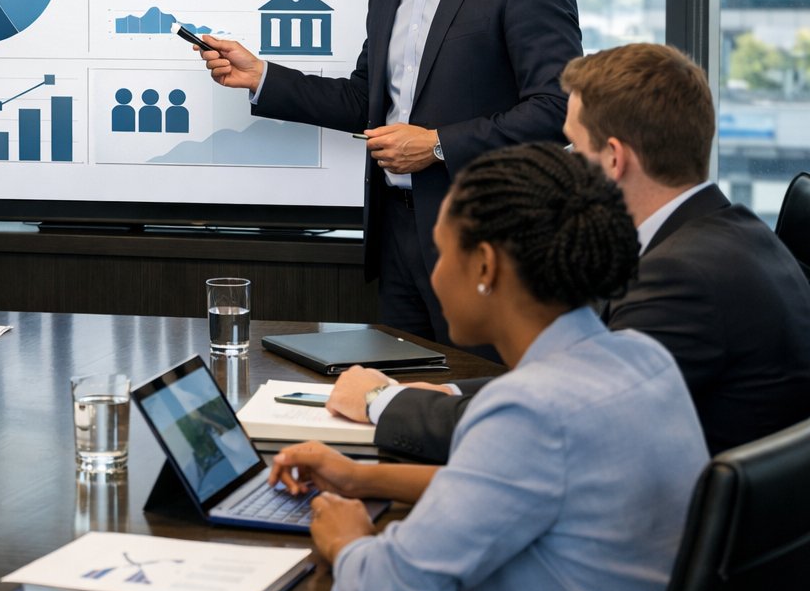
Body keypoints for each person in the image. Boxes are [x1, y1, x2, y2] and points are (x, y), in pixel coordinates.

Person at [271, 143, 708, 591]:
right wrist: (360, 477)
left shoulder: (532, 410)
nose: (433, 277)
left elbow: (385, 589)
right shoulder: (643, 359)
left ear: (484, 265)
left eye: (442, 254)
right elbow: (519, 489)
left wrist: (348, 540)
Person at [198, 0, 580, 342]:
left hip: (483, 244)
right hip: (396, 237)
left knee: (468, 401)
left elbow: (557, 109)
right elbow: (363, 101)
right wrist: (261, 76)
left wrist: (439, 145)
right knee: (403, 405)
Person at [334, 43, 810, 461]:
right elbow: (572, 384)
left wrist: (382, 401)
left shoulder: (682, 278)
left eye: (575, 150)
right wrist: (449, 390)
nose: (568, 166)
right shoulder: (731, 234)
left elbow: (556, 425)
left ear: (616, 159)